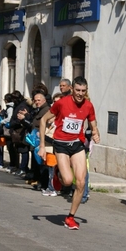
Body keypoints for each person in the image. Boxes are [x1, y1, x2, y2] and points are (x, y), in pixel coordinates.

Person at [38, 76, 100, 230]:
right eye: (77, 90)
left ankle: (70, 217)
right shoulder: (61, 103)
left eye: (83, 91)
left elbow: (93, 123)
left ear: (86, 91)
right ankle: (59, 171)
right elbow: (43, 120)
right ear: (72, 89)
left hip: (77, 145)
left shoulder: (88, 106)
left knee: (80, 182)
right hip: (61, 144)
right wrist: (41, 146)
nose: (80, 94)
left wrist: (95, 133)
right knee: (67, 181)